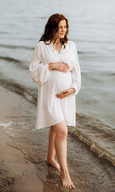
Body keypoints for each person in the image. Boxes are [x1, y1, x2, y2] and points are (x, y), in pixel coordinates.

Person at [29, 13, 81, 189]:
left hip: (65, 98)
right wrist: (51, 66)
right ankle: (64, 173)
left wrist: (73, 89)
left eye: (65, 27)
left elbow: (76, 72)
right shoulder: (42, 47)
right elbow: (34, 71)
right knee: (62, 131)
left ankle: (50, 158)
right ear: (52, 28)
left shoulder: (71, 46)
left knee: (55, 127)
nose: (63, 30)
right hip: (50, 96)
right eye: (60, 27)